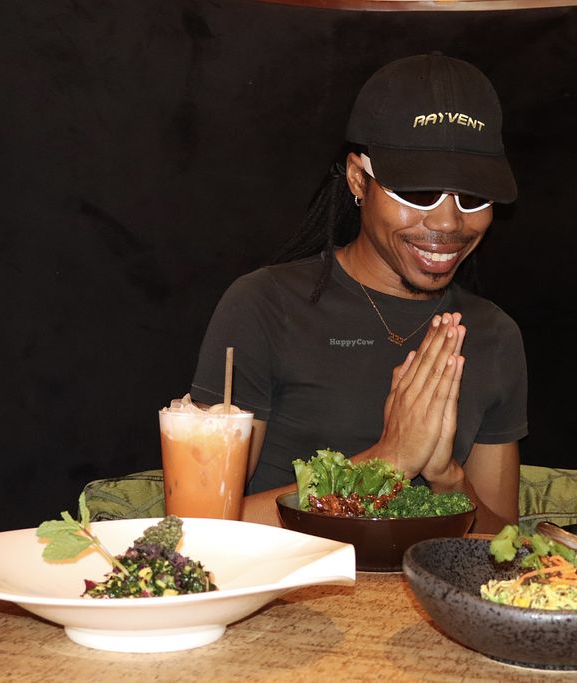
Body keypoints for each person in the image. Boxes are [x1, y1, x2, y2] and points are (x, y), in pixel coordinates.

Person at [190, 54, 527, 533]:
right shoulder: (265, 306)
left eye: (473, 197)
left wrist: (449, 482)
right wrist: (387, 462)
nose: (449, 221)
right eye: (419, 192)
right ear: (357, 179)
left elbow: (504, 548)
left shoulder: (493, 334)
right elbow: (200, 529)